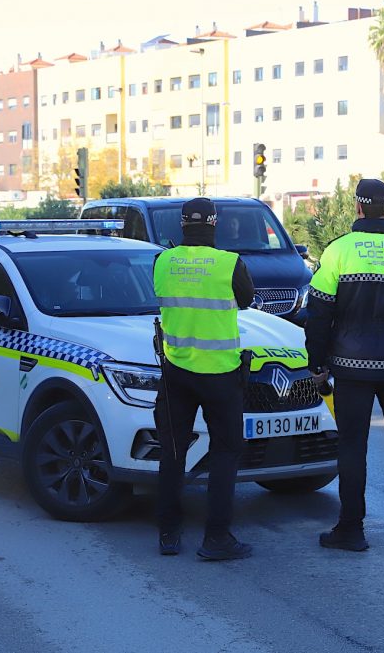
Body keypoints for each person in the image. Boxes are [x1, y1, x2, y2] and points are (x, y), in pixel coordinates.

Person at [304, 178, 384, 552]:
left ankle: (351, 529)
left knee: (352, 447)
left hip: (351, 367)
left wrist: (317, 362)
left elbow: (319, 313)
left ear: (358, 207)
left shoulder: (338, 251)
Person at [152, 197, 256, 560]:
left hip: (177, 371)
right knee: (225, 453)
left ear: (182, 224)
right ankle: (216, 538)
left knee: (173, 451)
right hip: (221, 375)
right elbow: (246, 300)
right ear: (214, 224)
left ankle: (168, 534)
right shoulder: (229, 264)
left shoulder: (163, 261)